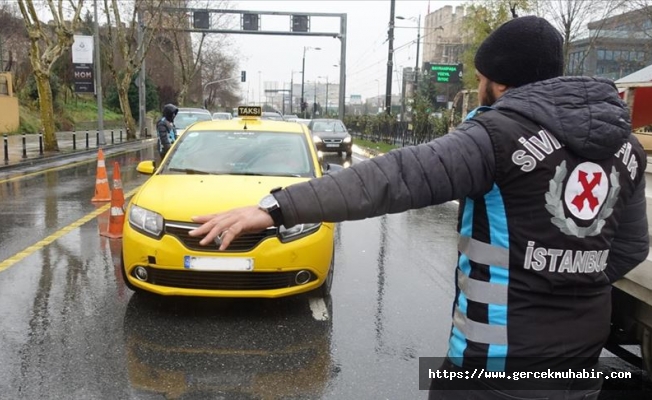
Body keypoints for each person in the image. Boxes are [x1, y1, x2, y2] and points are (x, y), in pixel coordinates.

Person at [188, 16, 648, 399]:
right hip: (580, 367)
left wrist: (277, 207)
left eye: (481, 78)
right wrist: (562, 275)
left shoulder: (495, 138)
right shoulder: (626, 148)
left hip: (491, 369)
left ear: (498, 81)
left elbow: (393, 177)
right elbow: (630, 248)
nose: (479, 85)